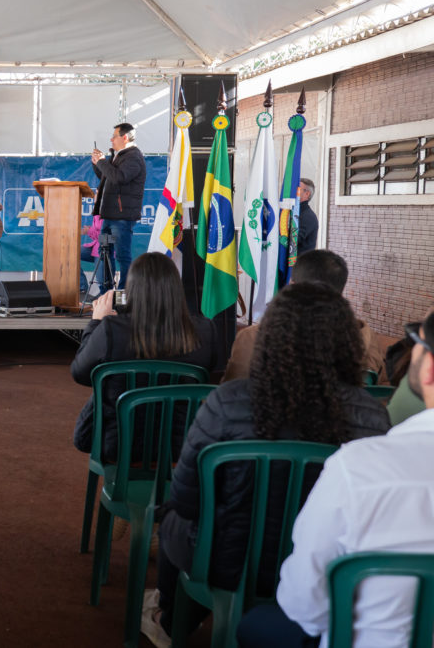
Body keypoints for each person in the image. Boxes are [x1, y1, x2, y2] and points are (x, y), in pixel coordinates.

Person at [143, 282, 390, 648]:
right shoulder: (373, 417)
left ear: (269, 338)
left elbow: (186, 497)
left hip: (226, 560)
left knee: (173, 518)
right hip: (326, 570)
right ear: (347, 344)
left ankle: (171, 619)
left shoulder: (226, 402)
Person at [238, 310, 434, 647]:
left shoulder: (359, 468)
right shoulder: (367, 436)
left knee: (257, 626)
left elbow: (303, 606)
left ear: (429, 368)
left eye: (416, 338)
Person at [71, 252, 224, 462]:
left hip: (115, 443)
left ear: (132, 291)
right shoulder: (206, 330)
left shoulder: (110, 329)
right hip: (180, 446)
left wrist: (96, 322)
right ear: (176, 290)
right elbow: (209, 377)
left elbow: (79, 373)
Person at [221, 249, 386, 383]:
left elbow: (231, 393)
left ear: (292, 285)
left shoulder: (252, 338)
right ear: (341, 290)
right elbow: (379, 391)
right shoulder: (366, 339)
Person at [90, 122, 145, 292]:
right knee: (104, 252)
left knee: (122, 256)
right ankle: (106, 292)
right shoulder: (118, 155)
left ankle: (123, 294)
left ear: (125, 137)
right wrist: (97, 163)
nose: (111, 139)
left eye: (114, 136)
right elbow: (106, 177)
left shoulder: (133, 157)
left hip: (121, 218)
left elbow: (119, 177)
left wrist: (102, 162)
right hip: (109, 216)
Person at [297, 177, 319, 255]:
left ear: (307, 194)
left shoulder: (309, 216)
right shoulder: (295, 212)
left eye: (298, 189)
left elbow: (295, 240)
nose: (293, 191)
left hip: (299, 265)